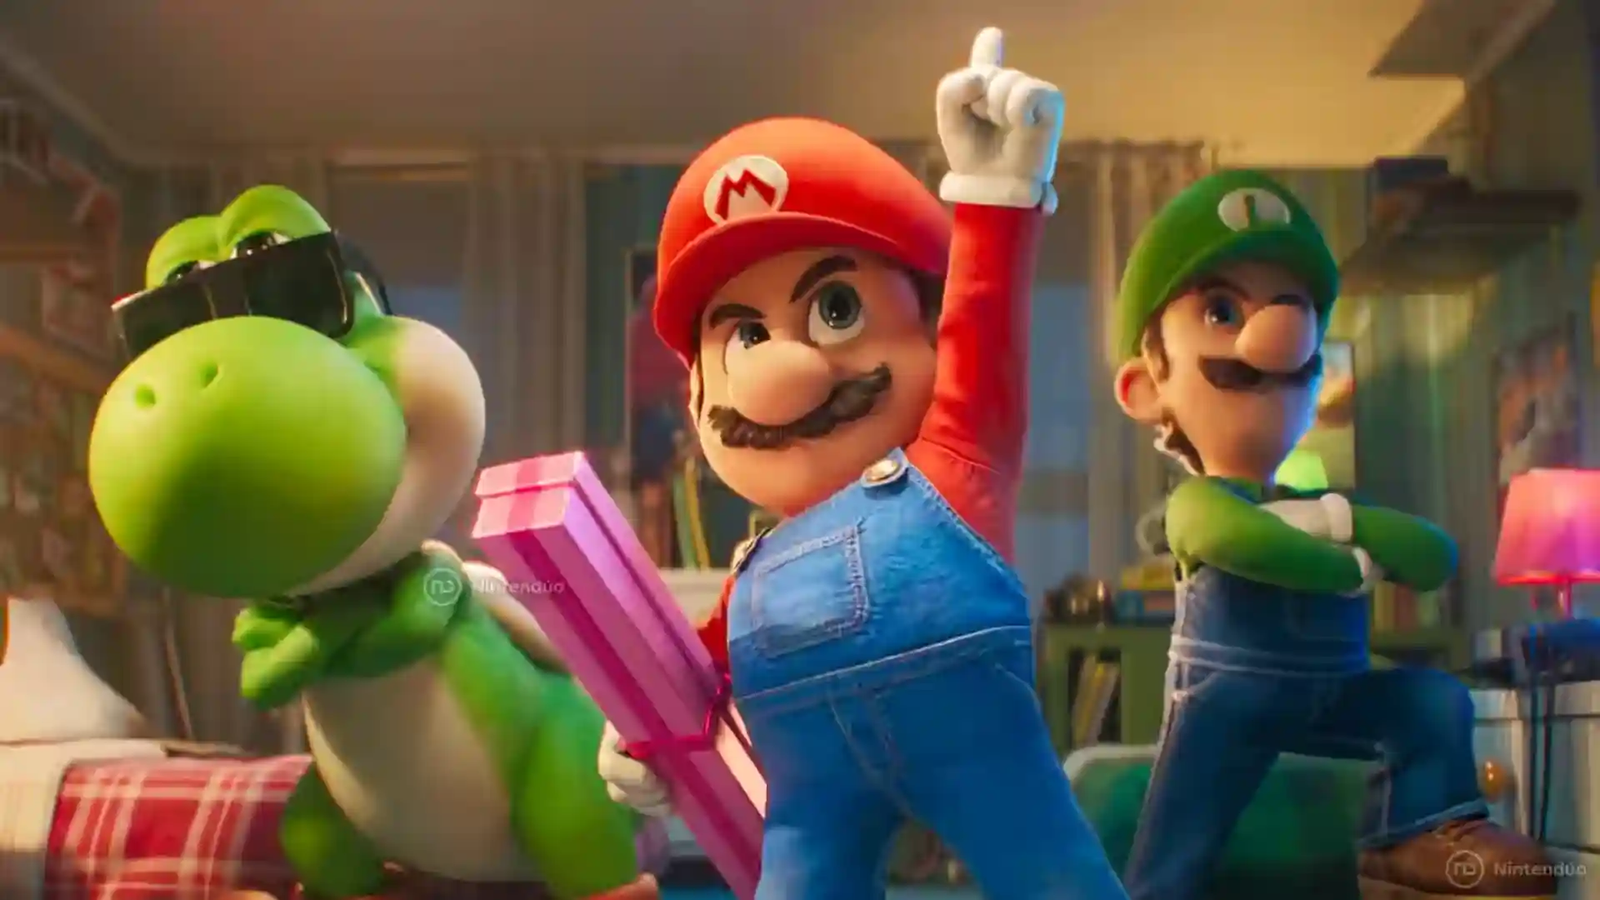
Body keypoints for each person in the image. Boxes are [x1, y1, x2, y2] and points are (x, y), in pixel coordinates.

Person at [597, 27, 1127, 900]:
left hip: (978, 751)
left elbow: (987, 329)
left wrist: (996, 194)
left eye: (836, 308)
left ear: (928, 330)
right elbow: (692, 669)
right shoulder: (755, 570)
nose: (778, 370)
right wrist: (642, 732)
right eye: (744, 336)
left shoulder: (955, 458)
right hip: (811, 806)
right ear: (696, 390)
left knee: (1052, 879)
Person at [1112, 169, 1556, 900]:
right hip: (1225, 703)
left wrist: (1339, 521)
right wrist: (1346, 561)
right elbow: (1241, 541)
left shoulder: (1323, 505)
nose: (1279, 332)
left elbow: (1432, 555)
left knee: (1433, 701)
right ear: (1144, 385)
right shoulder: (1197, 504)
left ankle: (1410, 837)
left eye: (1295, 306)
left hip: (1333, 692)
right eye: (1221, 309)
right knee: (1178, 843)